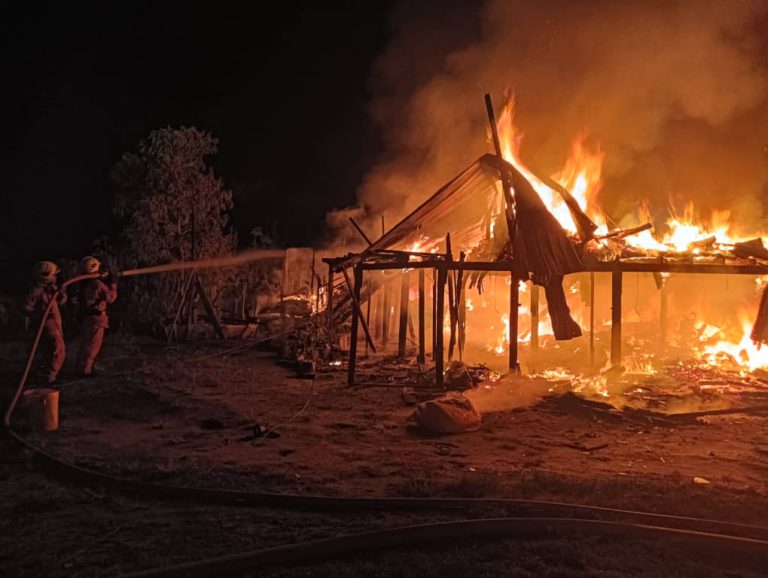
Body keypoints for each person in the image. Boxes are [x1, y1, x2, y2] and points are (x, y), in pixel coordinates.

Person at [25, 261, 67, 384]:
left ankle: (42, 374)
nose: (56, 277)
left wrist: (61, 293)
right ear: (47, 276)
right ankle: (50, 377)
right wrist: (39, 316)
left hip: (53, 322)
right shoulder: (36, 291)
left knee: (48, 350)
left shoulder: (51, 288)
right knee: (58, 351)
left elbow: (59, 302)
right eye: (54, 275)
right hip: (47, 324)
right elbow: (27, 308)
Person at [76, 256, 118, 377]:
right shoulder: (96, 283)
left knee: (86, 343)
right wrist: (113, 283)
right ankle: (85, 370)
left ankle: (80, 367)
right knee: (93, 346)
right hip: (96, 318)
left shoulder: (85, 283)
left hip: (88, 317)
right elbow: (111, 297)